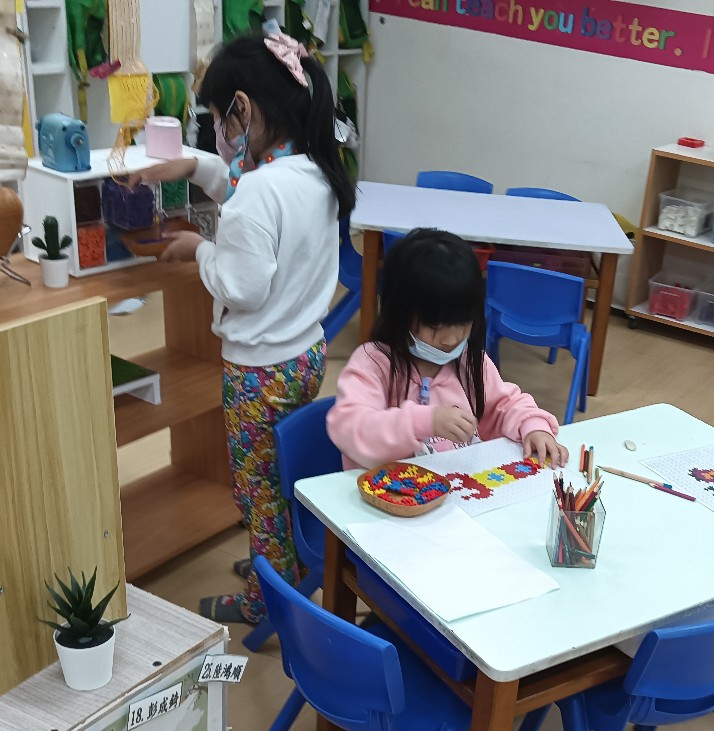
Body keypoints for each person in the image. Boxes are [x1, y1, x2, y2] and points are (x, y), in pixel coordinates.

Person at [130, 31, 355, 625]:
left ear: (244, 108)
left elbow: (241, 285)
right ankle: (276, 562)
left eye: (217, 118)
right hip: (305, 354)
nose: (218, 133)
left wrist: (198, 249)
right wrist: (192, 166)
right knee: (281, 474)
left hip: (258, 374)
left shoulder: (260, 190)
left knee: (257, 490)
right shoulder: (313, 169)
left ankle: (266, 602)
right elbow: (244, 188)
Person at [326, 228, 569, 472]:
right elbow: (351, 427)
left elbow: (504, 405)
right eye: (435, 326)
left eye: (464, 323)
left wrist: (533, 427)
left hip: (458, 488)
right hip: (389, 490)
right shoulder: (373, 363)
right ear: (401, 313)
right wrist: (424, 421)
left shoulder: (470, 362)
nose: (452, 338)